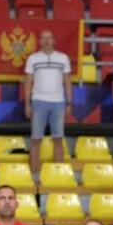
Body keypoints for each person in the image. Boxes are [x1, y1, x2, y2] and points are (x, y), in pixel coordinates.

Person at [24, 30, 72, 173]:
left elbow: (68, 82)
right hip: (38, 102)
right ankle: (35, 176)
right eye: (43, 38)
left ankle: (58, 175)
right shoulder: (33, 59)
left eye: (49, 38)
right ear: (40, 41)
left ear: (54, 40)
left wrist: (69, 103)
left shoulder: (63, 58)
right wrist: (27, 105)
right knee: (35, 140)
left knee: (58, 140)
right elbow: (27, 83)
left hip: (58, 103)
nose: (46, 41)